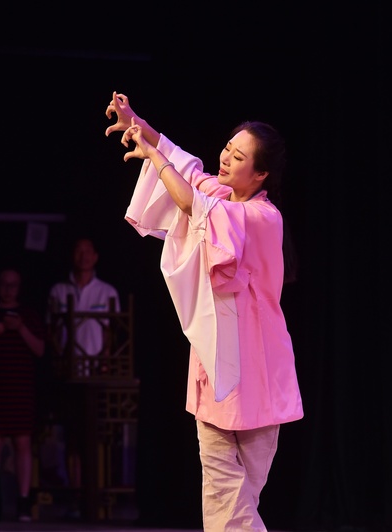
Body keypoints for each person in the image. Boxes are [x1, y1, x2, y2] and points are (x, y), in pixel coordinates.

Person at [104, 91, 303, 531]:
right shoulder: (221, 193)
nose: (226, 158)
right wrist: (137, 123)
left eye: (239, 156)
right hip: (215, 367)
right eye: (228, 148)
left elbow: (192, 202)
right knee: (223, 493)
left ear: (261, 174)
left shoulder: (262, 216)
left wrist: (154, 157)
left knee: (237, 499)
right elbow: (187, 167)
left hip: (258, 371)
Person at [46, 237, 120, 494]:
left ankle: (95, 492)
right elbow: (52, 331)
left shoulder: (107, 292)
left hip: (96, 373)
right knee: (72, 436)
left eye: (88, 251)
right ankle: (75, 495)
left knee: (96, 437)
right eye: (79, 250)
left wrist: (105, 362)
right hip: (69, 373)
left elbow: (112, 332)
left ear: (96, 257)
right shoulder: (58, 291)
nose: (83, 255)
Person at [0, 266, 46, 522]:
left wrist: (20, 327)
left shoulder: (28, 315)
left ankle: (23, 500)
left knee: (22, 443)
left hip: (20, 388)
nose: (8, 290)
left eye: (13, 285)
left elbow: (40, 349)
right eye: (4, 284)